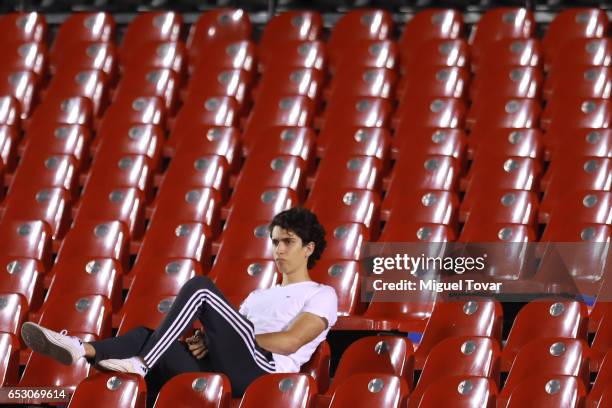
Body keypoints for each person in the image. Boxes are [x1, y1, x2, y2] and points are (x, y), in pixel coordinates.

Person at [21, 208, 338, 406]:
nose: (279, 249)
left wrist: (225, 336)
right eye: (275, 241)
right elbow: (233, 337)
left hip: (266, 372)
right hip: (224, 368)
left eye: (288, 242)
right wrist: (212, 340)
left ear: (309, 248)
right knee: (145, 335)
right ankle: (82, 349)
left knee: (201, 288)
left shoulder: (322, 293)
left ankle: (142, 364)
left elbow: (291, 341)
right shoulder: (257, 296)